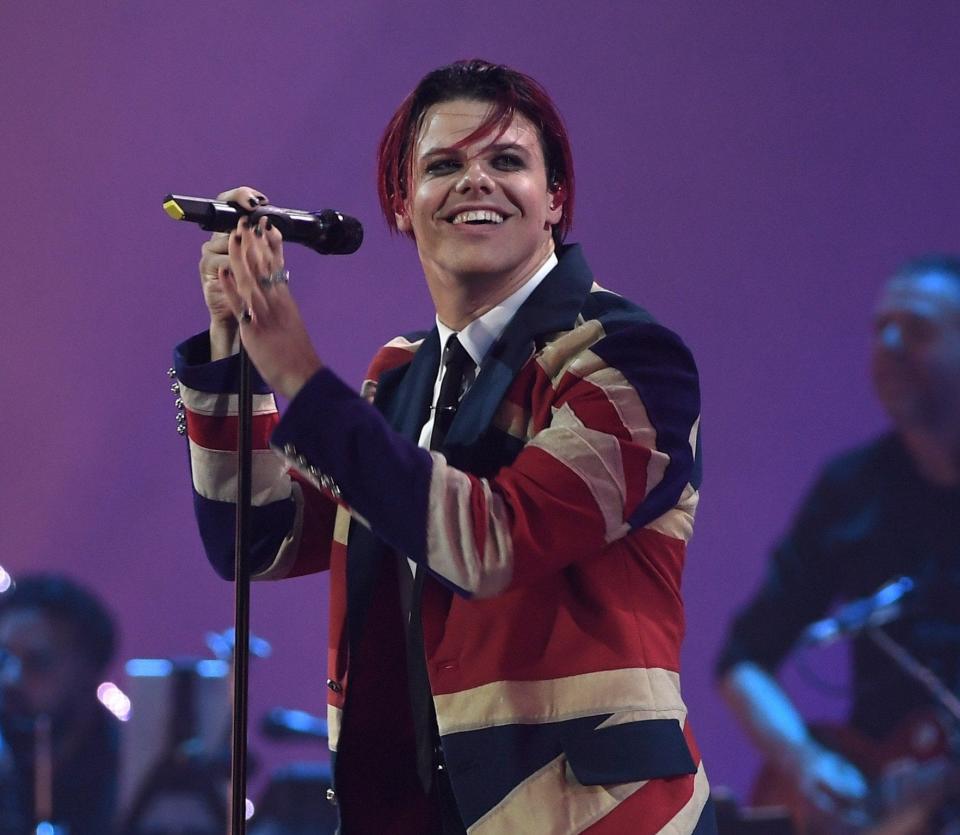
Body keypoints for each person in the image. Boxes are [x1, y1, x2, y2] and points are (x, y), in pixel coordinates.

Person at [172, 59, 712, 834]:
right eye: (444, 165)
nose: (476, 182)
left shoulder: (629, 358)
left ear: (554, 198)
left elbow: (490, 540)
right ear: (401, 202)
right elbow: (261, 536)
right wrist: (234, 336)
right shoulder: (398, 374)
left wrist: (297, 369)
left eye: (507, 161)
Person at [716, 256, 960, 832]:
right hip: (881, 803)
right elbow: (744, 659)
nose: (890, 344)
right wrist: (806, 762)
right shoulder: (853, 490)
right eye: (882, 328)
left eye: (918, 329)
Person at [0, 573, 120, 834]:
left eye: (38, 661)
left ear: (89, 670)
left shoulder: (132, 774)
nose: (11, 679)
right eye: (4, 658)